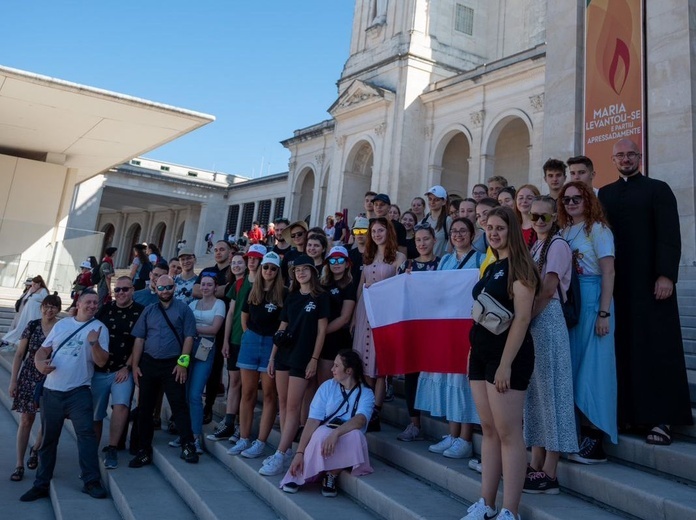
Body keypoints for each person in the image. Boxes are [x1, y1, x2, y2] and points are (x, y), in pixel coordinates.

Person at [599, 138, 693, 444]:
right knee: (625, 349)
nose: (625, 159)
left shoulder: (658, 189)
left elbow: (669, 236)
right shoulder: (606, 195)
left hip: (653, 286)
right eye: (620, 155)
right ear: (612, 160)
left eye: (631, 154)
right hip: (619, 287)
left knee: (657, 348)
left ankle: (661, 419)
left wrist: (666, 275)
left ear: (640, 157)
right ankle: (629, 416)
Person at [463, 206, 538, 520]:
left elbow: (521, 320)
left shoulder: (521, 267)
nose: (493, 233)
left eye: (500, 228)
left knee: (509, 434)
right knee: (489, 431)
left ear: (512, 231)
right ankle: (486, 503)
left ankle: (511, 510)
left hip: (508, 358)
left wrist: (505, 364)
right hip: (480, 356)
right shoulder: (491, 264)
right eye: (489, 228)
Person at [20, 290, 110, 502]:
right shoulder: (62, 325)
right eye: (88, 301)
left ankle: (91, 481)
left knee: (86, 436)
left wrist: (93, 343)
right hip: (52, 391)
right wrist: (40, 364)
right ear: (78, 303)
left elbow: (101, 362)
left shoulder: (100, 329)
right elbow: (42, 351)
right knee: (49, 439)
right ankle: (41, 483)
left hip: (79, 391)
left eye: (95, 303)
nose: (92, 305)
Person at [558, 182, 618, 462]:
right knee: (575, 368)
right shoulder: (564, 231)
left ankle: (596, 438)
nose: (571, 203)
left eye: (577, 198)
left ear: (588, 200)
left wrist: (604, 313)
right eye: (566, 199)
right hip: (572, 303)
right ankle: (578, 432)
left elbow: (608, 272)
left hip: (594, 301)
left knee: (595, 370)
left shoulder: (599, 230)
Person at [523, 196, 578, 494]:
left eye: (545, 216)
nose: (540, 221)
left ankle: (551, 470)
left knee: (553, 392)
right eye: (535, 216)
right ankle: (536, 461)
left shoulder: (557, 245)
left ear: (555, 217)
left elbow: (548, 286)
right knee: (537, 393)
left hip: (548, 317)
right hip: (535, 321)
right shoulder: (535, 245)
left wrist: (525, 319)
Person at [418, 217, 482, 459]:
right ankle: (453, 433)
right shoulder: (445, 259)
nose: (457, 235)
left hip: (467, 325)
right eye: (454, 231)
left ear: (472, 234)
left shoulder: (480, 259)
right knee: (449, 378)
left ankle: (465, 437)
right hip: (446, 327)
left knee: (463, 381)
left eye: (463, 231)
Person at [262, 255, 329, 477]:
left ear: (312, 271)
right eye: (297, 270)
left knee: (293, 407)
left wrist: (314, 359)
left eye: (304, 269)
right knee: (283, 405)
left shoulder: (320, 297)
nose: (300, 273)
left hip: (303, 356)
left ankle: (280, 454)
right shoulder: (291, 297)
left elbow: (321, 332)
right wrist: (272, 357)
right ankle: (285, 450)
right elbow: (282, 328)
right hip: (283, 354)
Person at [280, 350, 375, 497]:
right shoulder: (327, 387)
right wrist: (299, 452)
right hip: (326, 431)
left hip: (346, 433)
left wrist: (336, 433)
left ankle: (331, 474)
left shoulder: (365, 392)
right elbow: (313, 420)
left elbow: (361, 419)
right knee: (320, 433)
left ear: (349, 371)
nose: (332, 369)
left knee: (356, 436)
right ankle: (299, 475)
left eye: (336, 366)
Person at [128, 275, 199, 468]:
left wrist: (183, 364)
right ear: (155, 289)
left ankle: (188, 445)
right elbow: (139, 340)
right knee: (145, 408)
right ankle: (144, 450)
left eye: (168, 287)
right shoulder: (149, 311)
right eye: (161, 287)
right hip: (149, 364)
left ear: (174, 288)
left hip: (173, 364)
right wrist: (135, 366)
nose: (165, 290)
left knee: (179, 405)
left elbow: (189, 338)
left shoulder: (183, 309)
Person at [227, 252, 285, 459]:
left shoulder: (282, 294)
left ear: (278, 272)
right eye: (266, 267)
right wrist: (249, 337)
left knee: (269, 394)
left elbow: (282, 323)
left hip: (271, 344)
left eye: (273, 268)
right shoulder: (252, 290)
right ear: (261, 269)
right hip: (251, 341)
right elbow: (244, 318)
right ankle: (244, 437)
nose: (268, 271)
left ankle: (260, 441)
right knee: (248, 392)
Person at [352, 217, 406, 432]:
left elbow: (402, 284)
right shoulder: (368, 255)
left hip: (385, 311)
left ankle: (376, 409)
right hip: (366, 308)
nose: (376, 234)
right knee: (364, 363)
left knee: (380, 365)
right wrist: (355, 314)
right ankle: (363, 407)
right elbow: (360, 285)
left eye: (380, 230)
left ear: (388, 232)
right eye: (373, 230)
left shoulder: (399, 256)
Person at [8, 293, 61, 482]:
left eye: (53, 307)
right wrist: (13, 380)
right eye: (46, 306)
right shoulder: (32, 326)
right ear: (41, 308)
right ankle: (19, 464)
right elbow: (19, 353)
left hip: (51, 377)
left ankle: (36, 448)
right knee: (26, 419)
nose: (49, 310)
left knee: (47, 418)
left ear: (58, 310)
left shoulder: (61, 327)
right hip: (29, 375)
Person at [92, 276, 144, 469]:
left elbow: (140, 342)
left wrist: (128, 366)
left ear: (132, 290)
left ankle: (113, 447)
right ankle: (92, 451)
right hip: (100, 369)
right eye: (118, 290)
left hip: (123, 368)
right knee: (96, 414)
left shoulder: (140, 312)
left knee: (121, 405)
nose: (121, 293)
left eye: (125, 289)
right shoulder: (105, 309)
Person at [395, 224, 440, 442]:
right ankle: (414, 423)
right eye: (418, 240)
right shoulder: (406, 266)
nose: (422, 243)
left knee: (436, 373)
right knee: (412, 373)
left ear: (434, 240)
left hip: (435, 327)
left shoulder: (443, 264)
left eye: (426, 239)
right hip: (413, 326)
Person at [177, 272, 225, 453]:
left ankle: (196, 437)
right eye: (203, 284)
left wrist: (191, 328)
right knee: (185, 391)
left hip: (206, 346)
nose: (205, 287)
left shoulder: (219, 304)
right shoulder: (192, 303)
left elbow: (214, 329)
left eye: (209, 284)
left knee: (195, 394)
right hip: (188, 346)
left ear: (215, 287)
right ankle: (185, 434)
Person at [207, 251, 249, 442]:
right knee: (234, 382)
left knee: (243, 383)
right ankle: (229, 421)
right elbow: (231, 313)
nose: (236, 265)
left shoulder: (252, 282)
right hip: (233, 339)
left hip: (247, 340)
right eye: (234, 263)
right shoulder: (234, 285)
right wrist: (225, 341)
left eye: (240, 262)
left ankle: (241, 424)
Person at [194, 240, 233, 425]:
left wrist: (210, 291)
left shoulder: (232, 270)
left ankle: (208, 408)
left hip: (225, 328)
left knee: (217, 368)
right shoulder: (207, 270)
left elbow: (231, 291)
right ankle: (196, 406)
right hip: (204, 331)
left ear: (230, 252)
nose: (218, 252)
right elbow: (195, 290)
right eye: (216, 249)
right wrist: (219, 290)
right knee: (201, 368)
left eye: (222, 249)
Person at [318, 246, 356, 385]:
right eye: (332, 261)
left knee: (327, 382)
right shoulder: (322, 283)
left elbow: (345, 317)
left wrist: (322, 332)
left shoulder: (349, 285)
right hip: (320, 336)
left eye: (340, 260)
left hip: (335, 338)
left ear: (347, 264)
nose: (336, 264)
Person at [3, 276, 49, 348]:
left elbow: (46, 300)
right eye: (32, 284)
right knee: (22, 324)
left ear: (39, 284)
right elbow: (25, 298)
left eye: (34, 284)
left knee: (32, 324)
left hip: (36, 311)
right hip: (27, 310)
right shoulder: (31, 289)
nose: (33, 286)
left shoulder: (43, 290)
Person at [422, 185, 452, 257]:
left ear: (444, 201)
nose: (432, 202)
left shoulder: (448, 221)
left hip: (441, 264)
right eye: (430, 199)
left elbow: (451, 243)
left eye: (436, 200)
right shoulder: (423, 221)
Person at [515, 184, 541, 249]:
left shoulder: (541, 226)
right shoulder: (513, 227)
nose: (524, 201)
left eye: (529, 198)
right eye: (521, 198)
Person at [348, 217, 369, 291]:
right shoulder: (349, 255)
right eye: (356, 231)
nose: (359, 233)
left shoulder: (375, 255)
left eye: (363, 230)